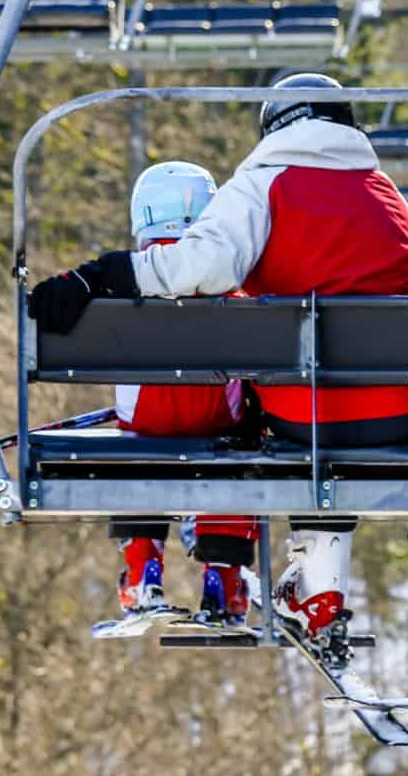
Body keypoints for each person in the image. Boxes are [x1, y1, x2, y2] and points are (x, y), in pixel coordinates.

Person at [29, 75, 408, 708]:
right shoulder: (386, 193)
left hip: (301, 419)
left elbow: (201, 267)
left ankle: (317, 590)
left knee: (317, 448)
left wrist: (107, 275)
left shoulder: (262, 183)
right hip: (406, 411)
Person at [105, 161, 258, 629]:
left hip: (145, 424)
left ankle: (142, 570)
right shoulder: (228, 286)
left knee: (133, 447)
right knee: (240, 449)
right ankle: (222, 578)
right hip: (213, 419)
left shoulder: (126, 282)